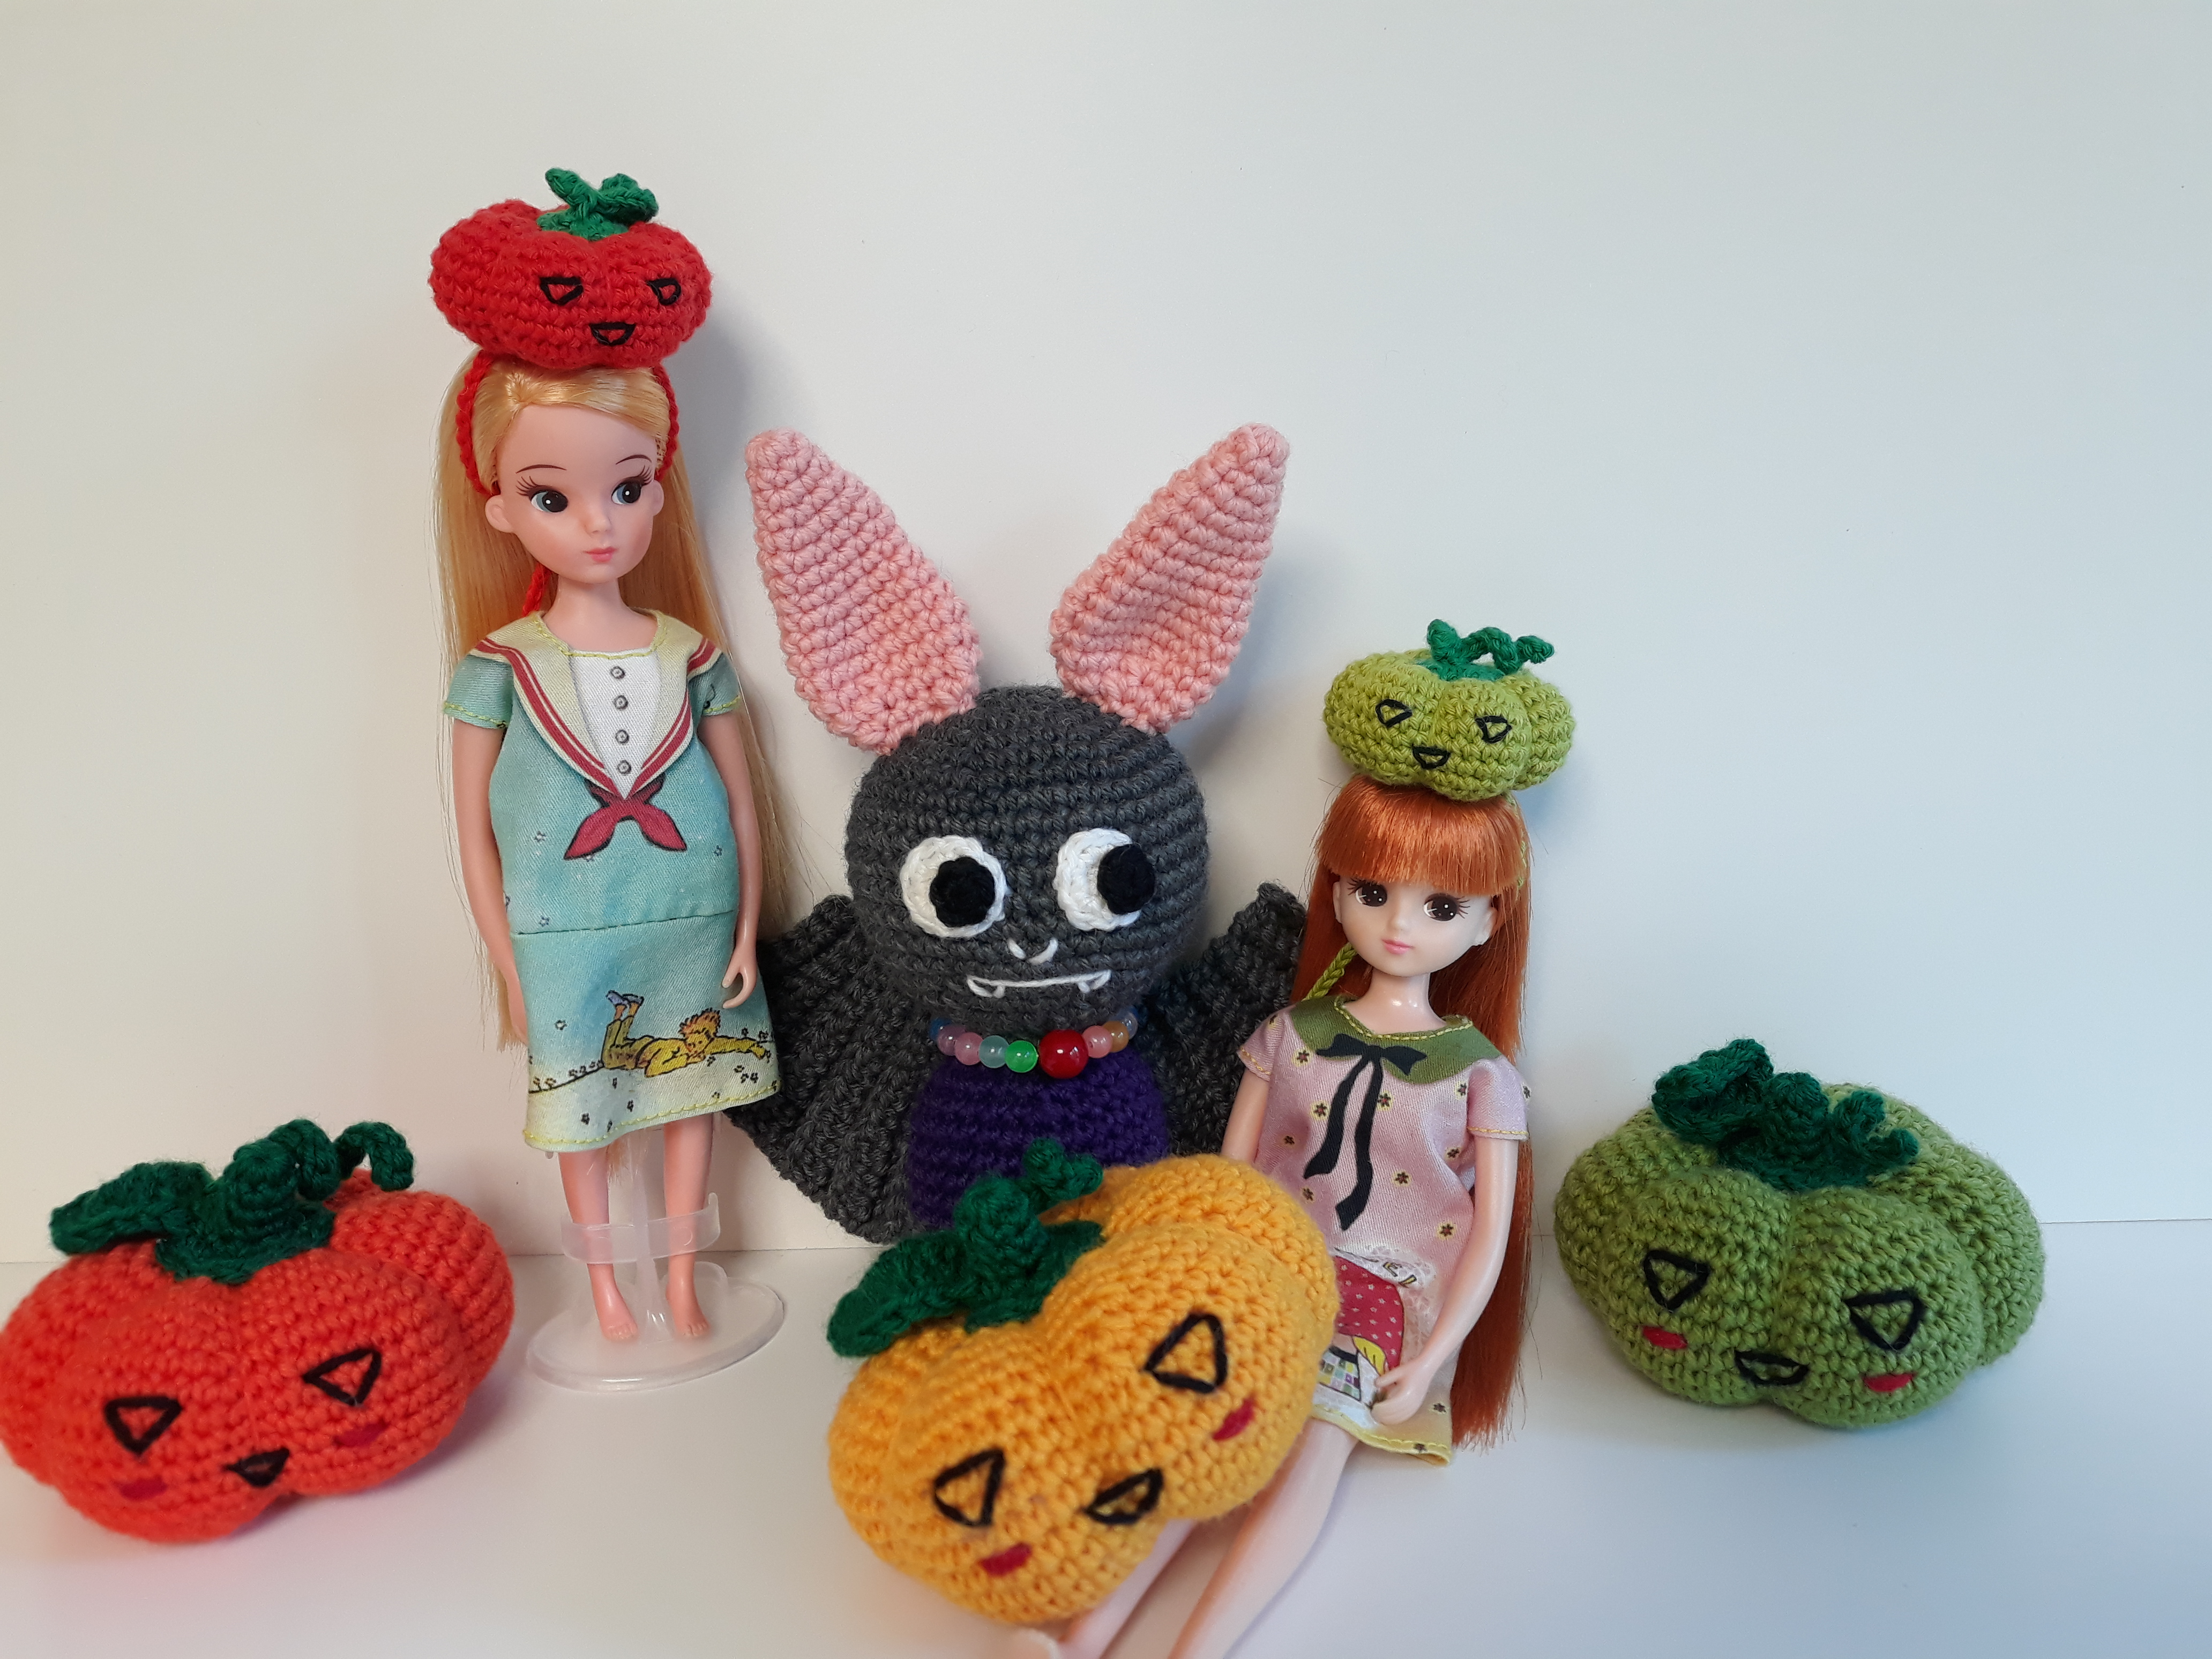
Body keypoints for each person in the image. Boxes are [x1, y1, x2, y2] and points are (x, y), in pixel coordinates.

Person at [1019, 625, 1567, 1659]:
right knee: (1198, 1435)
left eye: (1440, 906)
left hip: (1381, 1291)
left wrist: (1435, 1355)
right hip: (1268, 1268)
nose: (1399, 926)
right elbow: (1230, 1175)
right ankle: (1082, 1634)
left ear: (1489, 921)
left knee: (1305, 1454)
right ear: (1338, 891)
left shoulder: (1480, 1073)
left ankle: (1200, 1646)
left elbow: (1491, 1234)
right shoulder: (1291, 1033)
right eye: (1373, 891)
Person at [429, 171, 782, 1341]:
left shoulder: (690, 651)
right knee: (585, 1113)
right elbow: (474, 833)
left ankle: (679, 1280)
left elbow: (742, 803)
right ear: (499, 509)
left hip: (694, 919)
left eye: (627, 489)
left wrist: (745, 929)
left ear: (657, 493)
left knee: (691, 1099)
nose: (599, 523)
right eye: (553, 497)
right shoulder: (499, 665)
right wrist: (508, 963)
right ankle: (604, 1291)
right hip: (563, 934)